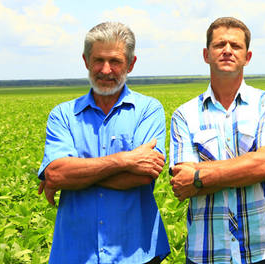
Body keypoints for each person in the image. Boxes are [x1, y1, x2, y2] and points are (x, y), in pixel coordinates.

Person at [38, 22, 170, 264]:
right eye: (98, 60)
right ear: (86, 61)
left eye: (116, 61)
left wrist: (76, 174)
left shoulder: (148, 110)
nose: (106, 70)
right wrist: (125, 159)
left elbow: (143, 175)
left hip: (136, 253)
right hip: (76, 253)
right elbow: (56, 174)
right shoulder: (63, 114)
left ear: (131, 64)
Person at [170, 17, 265, 264]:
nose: (227, 50)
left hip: (263, 250)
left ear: (248, 56)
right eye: (219, 45)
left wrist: (199, 176)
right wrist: (249, 167)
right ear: (206, 54)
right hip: (207, 251)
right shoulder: (184, 114)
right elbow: (182, 182)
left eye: (235, 46)